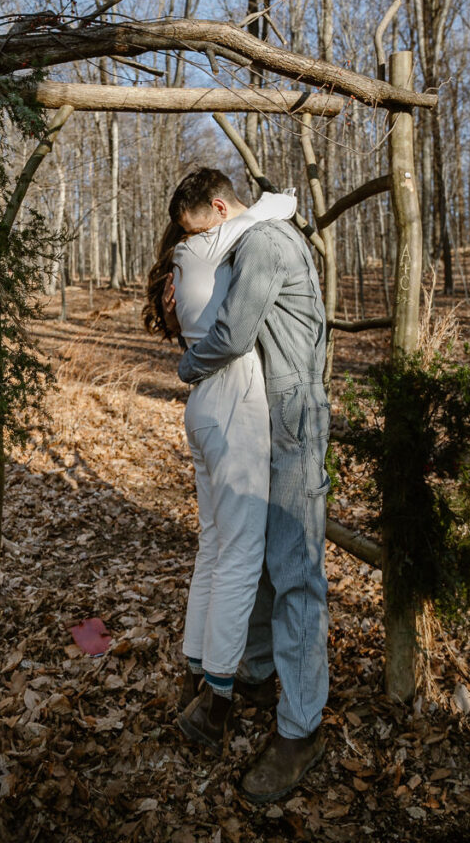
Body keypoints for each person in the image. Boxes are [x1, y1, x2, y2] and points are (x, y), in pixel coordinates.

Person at [170, 168, 331, 805]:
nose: (206, 244)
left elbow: (234, 333)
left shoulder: (263, 242)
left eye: (200, 231)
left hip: (293, 420)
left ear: (220, 206)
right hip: (271, 415)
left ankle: (301, 730)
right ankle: (262, 674)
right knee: (261, 558)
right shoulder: (256, 234)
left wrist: (187, 365)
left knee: (295, 573)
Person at [143, 168, 297, 757]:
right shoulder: (227, 233)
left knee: (213, 546)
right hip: (230, 396)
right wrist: (260, 197)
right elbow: (277, 207)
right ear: (221, 205)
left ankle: (194, 670)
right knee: (239, 555)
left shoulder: (187, 250)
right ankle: (216, 703)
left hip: (203, 406)